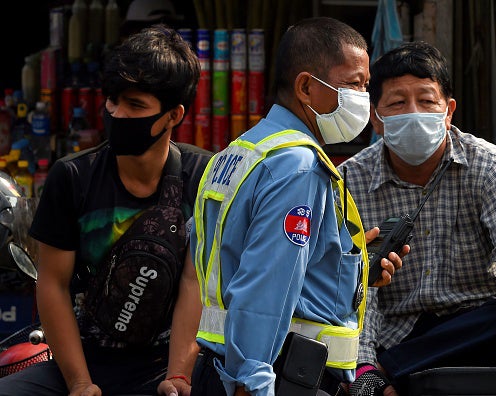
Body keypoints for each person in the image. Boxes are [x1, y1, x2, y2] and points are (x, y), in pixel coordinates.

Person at [158, 16, 407, 396]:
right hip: (279, 376)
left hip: (224, 366)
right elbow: (265, 285)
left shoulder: (237, 153)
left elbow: (232, 262)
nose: (362, 97)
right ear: (306, 87)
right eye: (354, 84)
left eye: (365, 85)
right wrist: (253, 381)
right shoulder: (298, 165)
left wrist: (351, 270)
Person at [338, 41, 496, 396]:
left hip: (476, 327)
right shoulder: (350, 181)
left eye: (426, 101)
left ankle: (393, 369)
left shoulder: (490, 165)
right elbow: (352, 289)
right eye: (397, 103)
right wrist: (364, 363)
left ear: (449, 111)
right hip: (396, 333)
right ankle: (382, 367)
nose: (413, 112)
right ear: (376, 118)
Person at [0, 24, 212, 395]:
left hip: (167, 361)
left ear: (173, 116)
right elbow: (53, 283)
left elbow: (194, 282)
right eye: (112, 100)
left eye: (135, 105)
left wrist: (178, 376)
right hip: (85, 360)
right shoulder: (72, 177)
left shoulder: (204, 177)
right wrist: (80, 383)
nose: (116, 113)